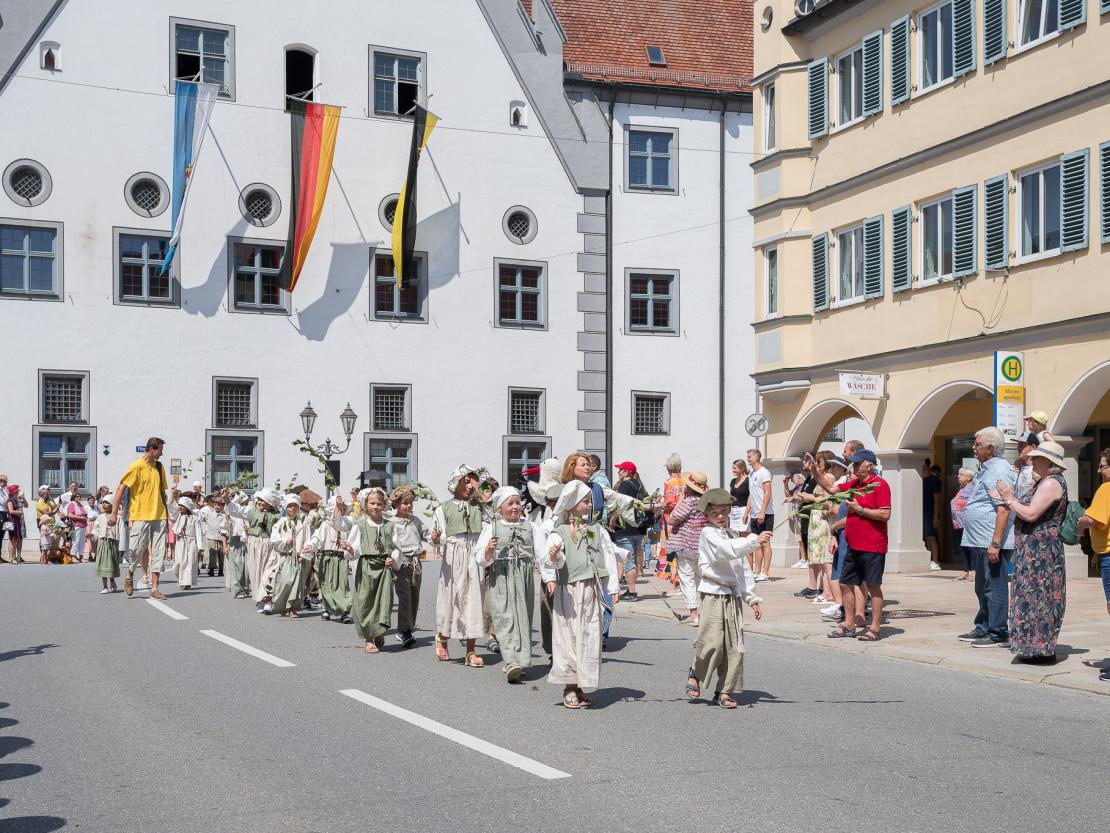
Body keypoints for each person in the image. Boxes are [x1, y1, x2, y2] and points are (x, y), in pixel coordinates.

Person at [684, 488, 769, 709]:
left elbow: (742, 569)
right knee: (712, 642)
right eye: (715, 513)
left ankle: (724, 690)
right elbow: (726, 551)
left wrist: (751, 597)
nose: (721, 516)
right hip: (713, 593)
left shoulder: (732, 535)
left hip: (732, 596)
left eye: (724, 511)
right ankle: (696, 671)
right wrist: (753, 542)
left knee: (734, 647)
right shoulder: (708, 534)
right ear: (707, 515)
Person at [544, 481, 620, 709]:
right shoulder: (560, 532)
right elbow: (553, 560)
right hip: (569, 592)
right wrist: (555, 556)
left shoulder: (596, 530)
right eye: (585, 502)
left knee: (589, 636)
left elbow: (607, 558)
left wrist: (612, 588)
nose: (589, 505)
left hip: (591, 590)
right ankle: (569, 686)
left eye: (589, 501)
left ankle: (580, 685)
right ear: (572, 504)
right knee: (569, 637)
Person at [992, 441, 1068, 664]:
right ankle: (1034, 647)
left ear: (1049, 462)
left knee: (1039, 596)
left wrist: (1009, 498)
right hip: (1036, 549)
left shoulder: (1051, 483)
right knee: (1034, 595)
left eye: (1036, 459)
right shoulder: (1046, 481)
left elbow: (1031, 514)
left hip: (1040, 550)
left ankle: (1041, 650)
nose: (1031, 462)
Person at [474, 486, 548, 683]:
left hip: (524, 578)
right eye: (510, 503)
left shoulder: (531, 527)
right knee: (504, 617)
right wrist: (489, 550)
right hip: (501, 577)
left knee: (522, 618)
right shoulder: (492, 528)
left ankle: (520, 660)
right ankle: (510, 661)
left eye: (517, 503)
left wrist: (549, 578)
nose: (515, 507)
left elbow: (542, 555)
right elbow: (480, 558)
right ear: (500, 508)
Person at [956, 427, 1016, 648]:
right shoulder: (986, 469)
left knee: (995, 586)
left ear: (990, 448)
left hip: (992, 541)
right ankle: (984, 626)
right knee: (982, 586)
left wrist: (996, 543)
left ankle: (998, 631)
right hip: (981, 540)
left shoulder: (999, 470)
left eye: (977, 444)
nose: (973, 447)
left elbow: (1003, 509)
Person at [827, 449, 891, 642]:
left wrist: (860, 510)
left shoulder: (880, 485)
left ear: (869, 465)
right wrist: (814, 472)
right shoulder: (855, 484)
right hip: (853, 545)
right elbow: (831, 488)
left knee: (873, 586)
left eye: (857, 463)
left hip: (873, 545)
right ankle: (849, 624)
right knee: (845, 583)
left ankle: (875, 628)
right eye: (852, 463)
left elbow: (885, 515)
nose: (853, 467)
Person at [431, 465, 486, 666]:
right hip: (454, 555)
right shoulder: (443, 508)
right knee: (451, 596)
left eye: (473, 482)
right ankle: (442, 635)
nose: (471, 486)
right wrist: (436, 538)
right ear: (457, 483)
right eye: (466, 481)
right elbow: (437, 538)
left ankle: (471, 650)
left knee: (473, 599)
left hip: (474, 553)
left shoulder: (480, 508)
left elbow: (490, 529)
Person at [110, 437, 170, 599]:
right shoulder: (136, 466)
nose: (162, 453)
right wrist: (114, 513)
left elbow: (162, 493)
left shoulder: (159, 466)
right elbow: (121, 489)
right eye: (160, 450)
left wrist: (167, 516)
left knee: (159, 552)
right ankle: (129, 576)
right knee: (136, 550)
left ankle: (155, 588)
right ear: (151, 449)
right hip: (141, 515)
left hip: (159, 516)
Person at [342, 488, 399, 653]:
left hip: (384, 567)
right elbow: (355, 549)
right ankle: (368, 638)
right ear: (365, 504)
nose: (375, 506)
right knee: (365, 601)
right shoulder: (360, 525)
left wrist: (393, 558)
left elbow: (396, 547)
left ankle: (379, 631)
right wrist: (350, 548)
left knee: (384, 601)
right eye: (372, 503)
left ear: (384, 505)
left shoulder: (390, 526)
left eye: (379, 504)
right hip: (366, 566)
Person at [1078, 448, 1110, 681]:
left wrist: (1078, 522)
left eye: (1103, 466)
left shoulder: (1106, 489)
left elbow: (1093, 519)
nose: (1099, 470)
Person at [668, 471, 710, 626]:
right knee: (702, 578)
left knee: (687, 579)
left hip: (685, 544)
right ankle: (706, 611)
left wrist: (680, 501)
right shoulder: (707, 501)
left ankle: (694, 614)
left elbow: (672, 520)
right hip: (702, 546)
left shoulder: (689, 501)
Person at [389, 485, 424, 647]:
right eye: (405, 503)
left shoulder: (415, 521)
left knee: (414, 596)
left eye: (411, 503)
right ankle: (403, 631)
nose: (408, 506)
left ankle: (408, 626)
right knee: (404, 597)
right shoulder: (390, 523)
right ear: (396, 503)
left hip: (416, 564)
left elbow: (427, 534)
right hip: (400, 564)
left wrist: (436, 536)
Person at [268, 493, 314, 618]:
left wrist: (304, 554)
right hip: (286, 556)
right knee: (286, 581)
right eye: (290, 506)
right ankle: (281, 605)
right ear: (285, 508)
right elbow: (274, 538)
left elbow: (308, 539)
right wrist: (285, 541)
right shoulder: (281, 522)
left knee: (298, 583)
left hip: (299, 556)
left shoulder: (303, 522)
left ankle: (293, 607)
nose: (292, 508)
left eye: (295, 506)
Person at [610, 461, 649, 601]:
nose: (618, 472)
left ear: (626, 472)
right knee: (631, 558)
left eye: (620, 470)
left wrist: (612, 520)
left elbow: (620, 504)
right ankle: (628, 589)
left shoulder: (625, 485)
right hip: (638, 528)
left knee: (628, 560)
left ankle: (631, 591)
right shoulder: (639, 484)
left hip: (626, 527)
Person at [312, 495, 353, 624]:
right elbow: (317, 538)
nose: (338, 511)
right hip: (327, 556)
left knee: (342, 585)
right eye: (336, 509)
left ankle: (344, 611)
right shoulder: (325, 524)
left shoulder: (348, 523)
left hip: (341, 558)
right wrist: (311, 546)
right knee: (326, 584)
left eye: (341, 509)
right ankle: (327, 608)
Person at [745, 449, 773, 581]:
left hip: (766, 514)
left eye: (749, 456)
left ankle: (765, 572)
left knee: (765, 543)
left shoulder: (764, 473)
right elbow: (751, 494)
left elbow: (767, 492)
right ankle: (756, 571)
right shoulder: (751, 474)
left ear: (756, 457)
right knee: (756, 542)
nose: (747, 459)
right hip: (755, 514)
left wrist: (762, 511)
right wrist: (747, 511)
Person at [658, 453, 685, 579]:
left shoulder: (669, 482)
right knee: (681, 546)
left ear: (668, 468)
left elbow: (670, 503)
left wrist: (661, 505)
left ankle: (673, 574)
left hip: (670, 518)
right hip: (684, 518)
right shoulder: (685, 481)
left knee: (670, 546)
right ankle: (680, 573)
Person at [172, 496, 202, 591]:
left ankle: (187, 582)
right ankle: (180, 578)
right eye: (179, 505)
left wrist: (200, 546)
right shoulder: (177, 516)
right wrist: (171, 494)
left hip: (191, 542)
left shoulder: (195, 518)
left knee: (189, 563)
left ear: (187, 507)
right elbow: (170, 508)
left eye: (182, 506)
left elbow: (198, 532)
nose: (180, 507)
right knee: (179, 562)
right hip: (180, 541)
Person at [950, 468, 975, 581]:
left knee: (971, 547)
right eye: (959, 474)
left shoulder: (973, 488)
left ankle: (974, 572)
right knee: (962, 547)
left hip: (968, 523)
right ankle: (965, 571)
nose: (958, 476)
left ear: (969, 478)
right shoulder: (961, 488)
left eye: (961, 475)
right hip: (959, 524)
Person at [91, 496, 120, 592]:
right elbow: (96, 529)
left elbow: (120, 531)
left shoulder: (117, 517)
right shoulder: (100, 517)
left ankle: (112, 580)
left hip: (113, 542)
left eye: (106, 502)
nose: (104, 504)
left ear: (112, 505)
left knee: (111, 563)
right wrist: (92, 534)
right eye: (103, 502)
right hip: (102, 542)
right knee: (103, 563)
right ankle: (104, 586)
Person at [225, 494, 250, 599]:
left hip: (248, 540)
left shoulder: (248, 512)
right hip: (235, 539)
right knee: (237, 566)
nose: (247, 502)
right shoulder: (232, 513)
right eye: (245, 500)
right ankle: (237, 589)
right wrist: (225, 544)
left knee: (246, 567)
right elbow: (223, 528)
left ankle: (244, 588)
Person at [922, 464, 943, 571]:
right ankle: (930, 560)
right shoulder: (920, 478)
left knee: (931, 536)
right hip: (920, 513)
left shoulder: (934, 480)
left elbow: (937, 500)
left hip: (929, 512)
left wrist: (936, 517)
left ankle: (935, 561)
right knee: (926, 537)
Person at [200, 494, 226, 578]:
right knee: (212, 552)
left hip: (221, 536)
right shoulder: (209, 513)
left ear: (223, 506)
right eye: (215, 505)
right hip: (211, 535)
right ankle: (211, 568)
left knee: (221, 553)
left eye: (219, 505)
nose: (217, 507)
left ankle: (221, 569)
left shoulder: (225, 514)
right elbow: (201, 518)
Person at [5, 484, 27, 564]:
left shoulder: (15, 500)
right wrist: (19, 512)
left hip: (16, 521)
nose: (18, 493)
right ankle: (11, 558)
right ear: (12, 493)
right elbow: (11, 511)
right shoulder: (10, 501)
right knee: (12, 540)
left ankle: (14, 557)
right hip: (12, 521)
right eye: (16, 492)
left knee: (16, 539)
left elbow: (25, 505)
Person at [1014, 432, 1039, 503]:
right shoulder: (1016, 467)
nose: (1018, 448)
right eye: (1018, 444)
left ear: (1033, 447)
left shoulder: (1041, 471)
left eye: (1022, 445)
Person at [35, 485, 56, 565]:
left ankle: (46, 559)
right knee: (44, 541)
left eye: (49, 491)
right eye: (47, 491)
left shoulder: (48, 500)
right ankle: (42, 559)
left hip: (49, 521)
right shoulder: (40, 502)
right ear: (42, 493)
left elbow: (53, 510)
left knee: (47, 542)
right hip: (43, 521)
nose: (49, 493)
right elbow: (48, 513)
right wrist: (54, 511)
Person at [728, 459, 750, 535]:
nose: (733, 470)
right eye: (732, 468)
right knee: (733, 534)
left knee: (743, 534)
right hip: (733, 511)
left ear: (742, 468)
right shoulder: (733, 481)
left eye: (735, 468)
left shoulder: (748, 481)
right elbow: (731, 497)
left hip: (743, 510)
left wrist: (746, 513)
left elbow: (750, 498)